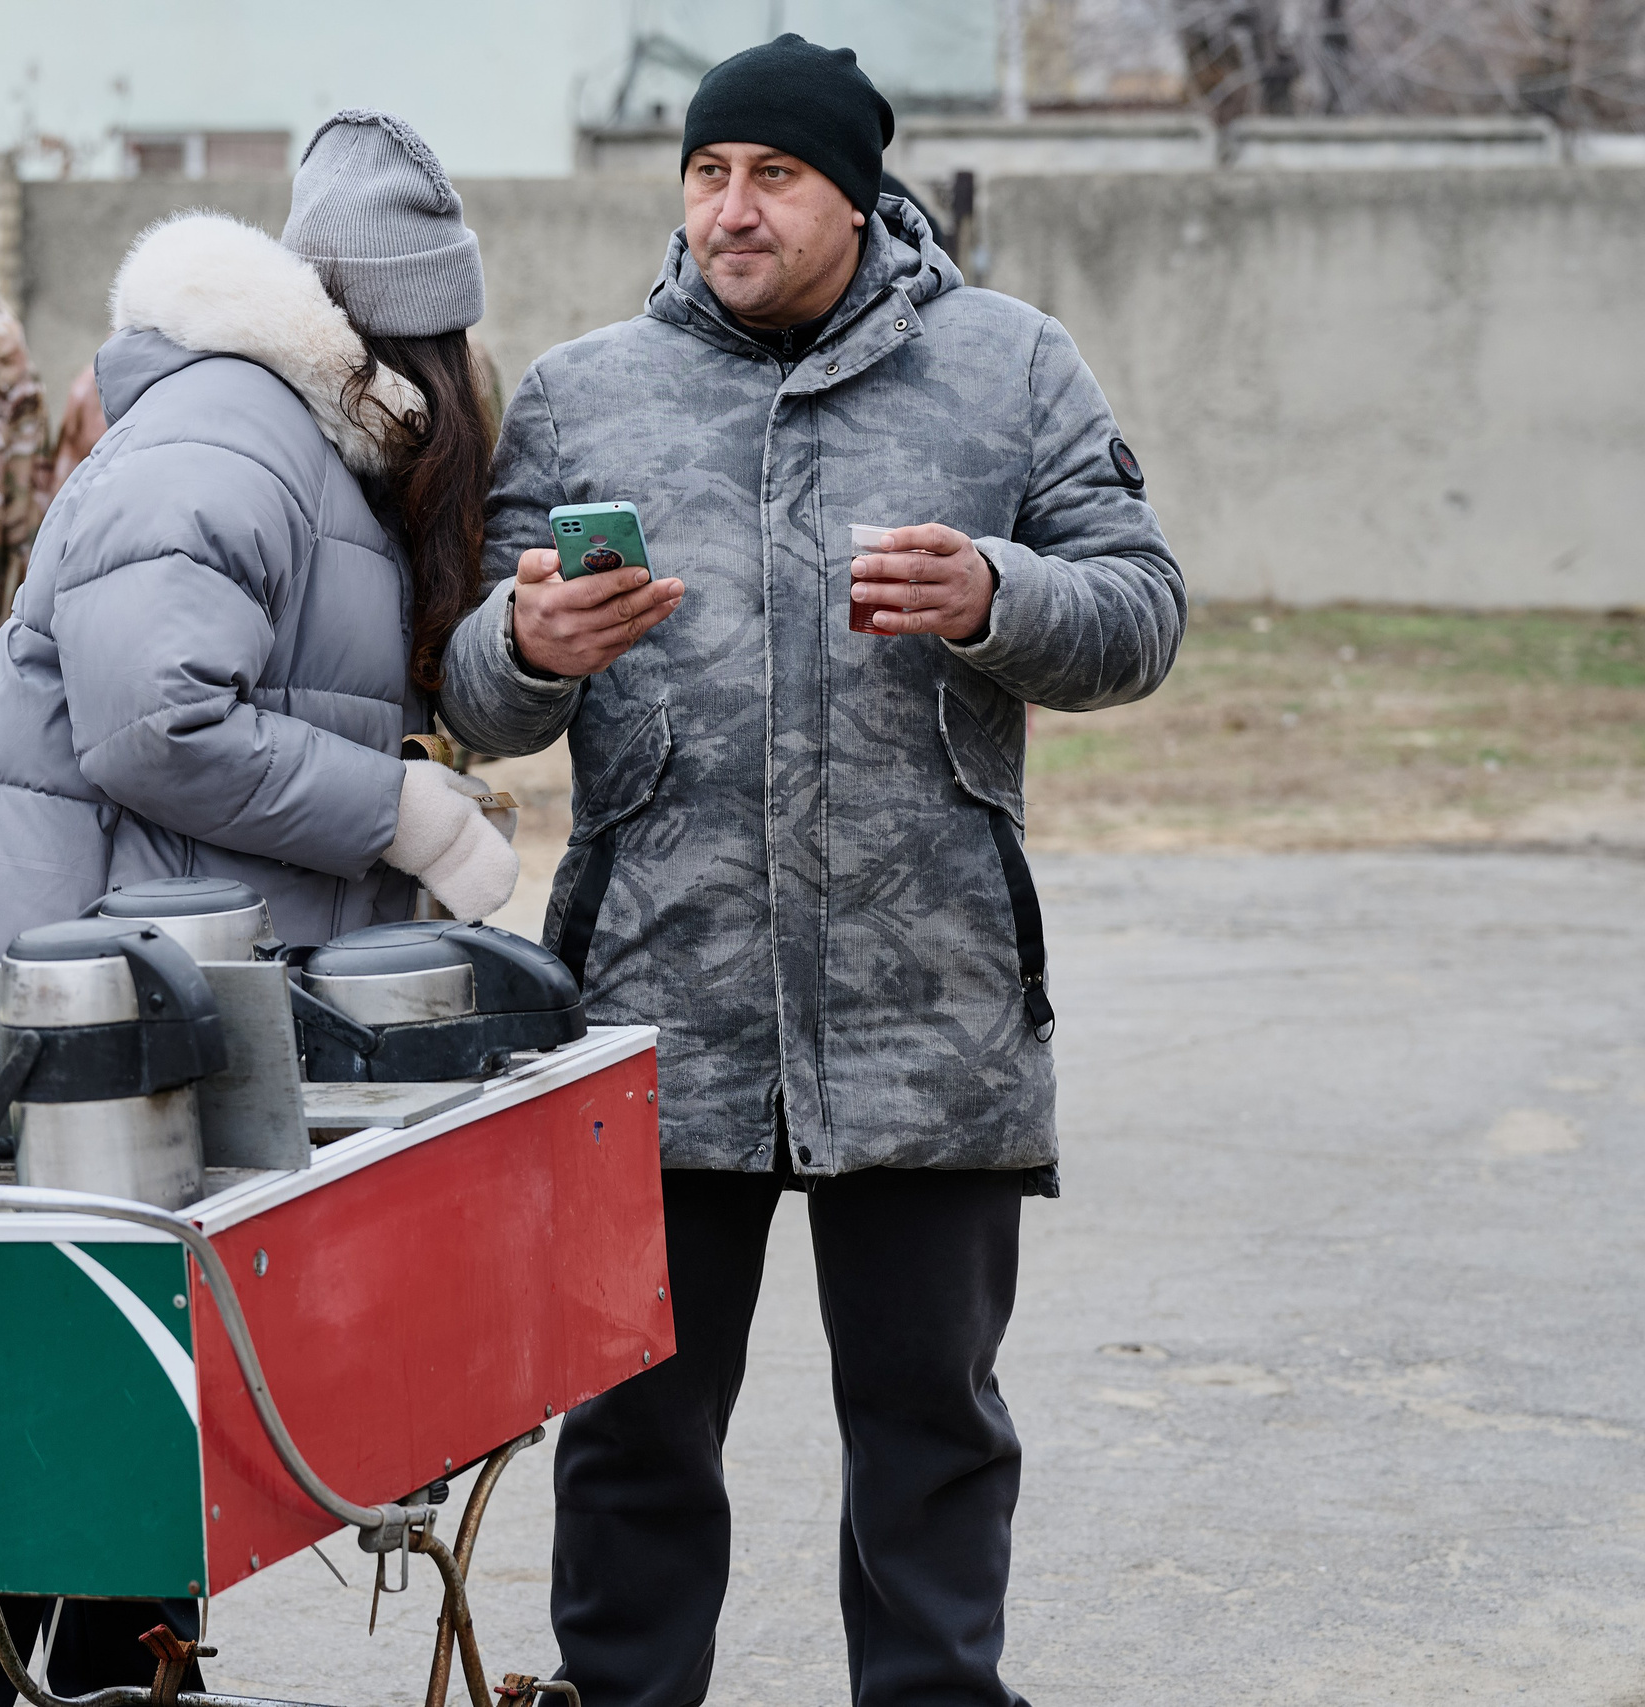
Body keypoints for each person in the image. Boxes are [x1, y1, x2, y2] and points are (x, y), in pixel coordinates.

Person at [438, 34, 1185, 1707]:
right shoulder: (581, 393)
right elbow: (471, 696)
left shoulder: (1013, 371)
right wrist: (532, 642)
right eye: (708, 174)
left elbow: (1142, 612)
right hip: (653, 1018)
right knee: (630, 1437)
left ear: (857, 194)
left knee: (929, 1438)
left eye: (771, 175)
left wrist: (999, 594)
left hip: (929, 1021)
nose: (730, 208)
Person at [0, 111, 517, 1704]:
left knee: (122, 1446)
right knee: (29, 1467)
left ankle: (132, 1680)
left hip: (140, 1005)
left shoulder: (291, 436)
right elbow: (156, 720)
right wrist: (404, 808)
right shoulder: (230, 434)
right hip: (81, 1018)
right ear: (409, 331)